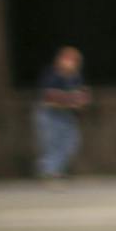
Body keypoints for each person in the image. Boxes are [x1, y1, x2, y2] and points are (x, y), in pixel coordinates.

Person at [33, 45, 90, 179]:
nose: (72, 64)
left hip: (67, 116)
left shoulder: (75, 77)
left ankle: (51, 169)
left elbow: (82, 96)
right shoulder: (52, 74)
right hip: (49, 115)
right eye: (69, 59)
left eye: (75, 61)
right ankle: (50, 171)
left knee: (71, 143)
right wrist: (69, 99)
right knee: (52, 143)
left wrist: (78, 100)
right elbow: (48, 98)